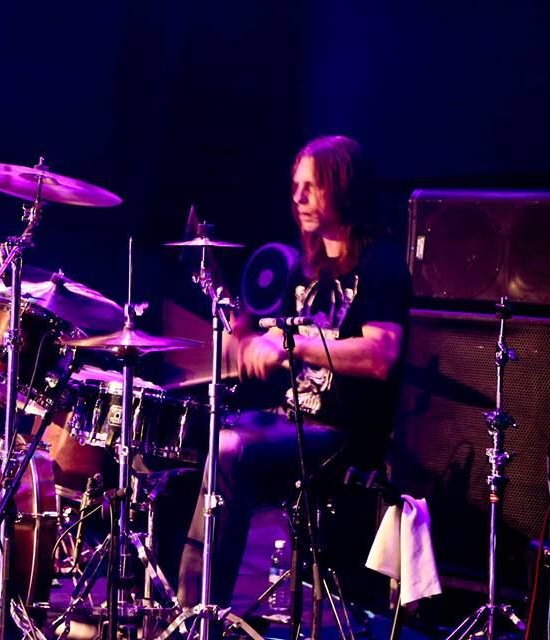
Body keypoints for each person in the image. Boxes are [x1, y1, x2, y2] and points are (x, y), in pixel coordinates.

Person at [176, 135, 412, 608]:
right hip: (292, 419)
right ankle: (168, 598)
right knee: (178, 437)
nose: (298, 197)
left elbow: (380, 354)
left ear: (343, 189)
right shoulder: (307, 268)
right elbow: (265, 341)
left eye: (311, 187)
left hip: (342, 434)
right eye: (295, 186)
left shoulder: (381, 264)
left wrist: (290, 345)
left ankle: (201, 612)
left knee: (230, 448)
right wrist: (245, 345)